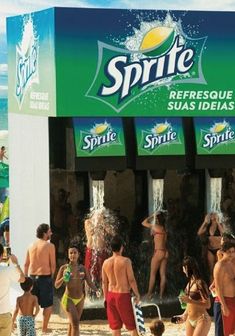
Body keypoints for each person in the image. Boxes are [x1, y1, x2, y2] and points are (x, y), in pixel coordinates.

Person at [55, 238, 98, 336]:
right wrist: (64, 278)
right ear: (68, 254)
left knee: (72, 324)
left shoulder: (82, 268)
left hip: (80, 299)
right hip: (68, 299)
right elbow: (56, 285)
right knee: (75, 325)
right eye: (70, 253)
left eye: (74, 253)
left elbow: (89, 282)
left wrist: (96, 290)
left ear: (78, 254)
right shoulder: (64, 268)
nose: (72, 255)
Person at [102, 235, 140, 336]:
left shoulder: (105, 263)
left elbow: (104, 283)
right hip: (122, 295)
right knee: (132, 326)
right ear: (121, 247)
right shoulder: (126, 261)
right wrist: (137, 294)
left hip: (110, 296)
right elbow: (131, 280)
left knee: (115, 327)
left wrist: (105, 298)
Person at [24, 223, 56, 333]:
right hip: (44, 277)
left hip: (31, 277)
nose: (51, 233)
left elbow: (26, 264)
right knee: (48, 305)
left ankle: (28, 327)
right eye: (49, 231)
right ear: (44, 233)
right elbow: (53, 265)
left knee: (30, 303)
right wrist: (51, 277)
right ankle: (44, 328)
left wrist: (25, 279)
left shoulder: (30, 245)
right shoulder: (50, 246)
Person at [175, 256, 211, 336]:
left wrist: (189, 300)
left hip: (201, 319)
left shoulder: (200, 283)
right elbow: (189, 304)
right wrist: (184, 315)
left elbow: (208, 305)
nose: (183, 271)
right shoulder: (189, 283)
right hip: (190, 319)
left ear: (187, 268)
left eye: (184, 268)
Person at [141, 211, 168, 300]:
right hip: (165, 252)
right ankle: (161, 295)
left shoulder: (156, 227)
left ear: (157, 219)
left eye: (156, 218)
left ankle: (149, 294)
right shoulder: (164, 229)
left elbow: (143, 222)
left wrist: (152, 215)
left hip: (158, 252)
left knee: (152, 274)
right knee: (162, 275)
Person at [0, 243, 25, 336]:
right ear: (2, 255)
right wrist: (16, 264)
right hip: (4, 313)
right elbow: (23, 279)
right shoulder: (6, 270)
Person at [214, 241, 235, 336]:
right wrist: (224, 306)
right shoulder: (220, 266)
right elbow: (218, 288)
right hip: (223, 302)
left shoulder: (233, 263)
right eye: (229, 252)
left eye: (233, 251)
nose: (231, 254)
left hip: (233, 300)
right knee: (221, 333)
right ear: (223, 252)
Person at [197, 212, 224, 282]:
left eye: (214, 214)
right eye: (211, 214)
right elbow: (199, 233)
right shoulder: (207, 226)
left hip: (219, 249)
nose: (213, 215)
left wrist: (218, 222)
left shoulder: (220, 225)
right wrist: (205, 222)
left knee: (219, 269)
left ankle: (219, 285)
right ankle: (211, 289)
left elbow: (224, 234)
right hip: (210, 250)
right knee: (211, 270)